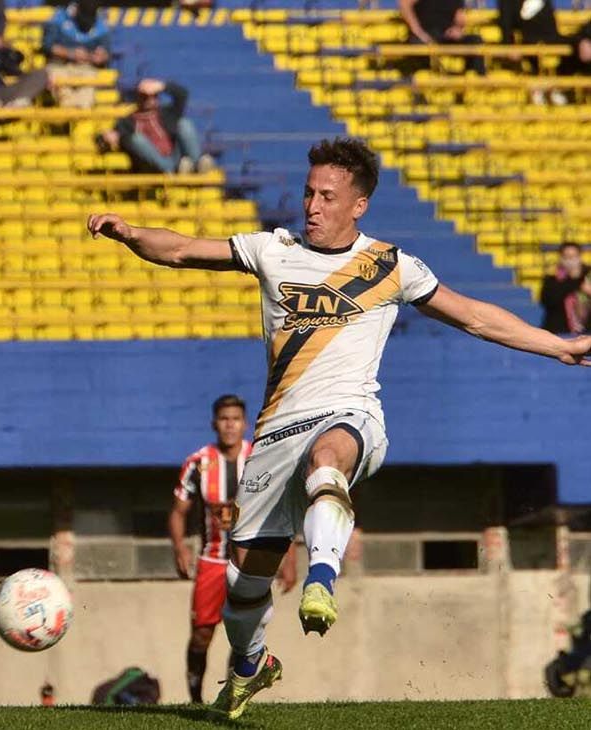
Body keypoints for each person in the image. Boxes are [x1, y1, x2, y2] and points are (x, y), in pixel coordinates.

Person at [87, 137, 591, 720]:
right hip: (275, 435)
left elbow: (474, 315)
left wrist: (559, 346)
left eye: (328, 196)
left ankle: (321, 579)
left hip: (350, 415)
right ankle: (252, 668)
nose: (312, 206)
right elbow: (180, 250)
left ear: (359, 205)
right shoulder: (273, 251)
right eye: (308, 193)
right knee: (243, 590)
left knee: (329, 461)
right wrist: (130, 234)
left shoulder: (390, 265)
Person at [169, 394, 296, 705]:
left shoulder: (261, 458)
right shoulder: (198, 463)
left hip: (249, 561)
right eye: (224, 419)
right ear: (215, 423)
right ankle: (195, 700)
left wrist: (289, 558)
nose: (229, 425)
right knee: (201, 634)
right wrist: (179, 548)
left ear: (245, 423)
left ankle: (230, 696)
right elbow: (178, 511)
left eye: (235, 419)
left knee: (243, 632)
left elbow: (281, 509)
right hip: (211, 560)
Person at [94, 79, 214, 175]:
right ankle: (173, 170)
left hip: (175, 157)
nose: (150, 99)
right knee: (136, 139)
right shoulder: (127, 120)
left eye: (154, 95)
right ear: (137, 98)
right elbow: (104, 139)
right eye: (145, 96)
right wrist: (107, 138)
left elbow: (182, 94)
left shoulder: (167, 113)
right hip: (150, 166)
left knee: (184, 123)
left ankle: (196, 164)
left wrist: (162, 86)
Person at [42, 0, 111, 109]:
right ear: (76, 10)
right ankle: (69, 113)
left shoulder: (101, 22)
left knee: (89, 79)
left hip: (86, 67)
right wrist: (70, 54)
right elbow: (47, 46)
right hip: (59, 65)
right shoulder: (59, 17)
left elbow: (106, 53)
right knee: (56, 77)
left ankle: (81, 114)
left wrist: (100, 56)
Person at [397, 0, 485, 76]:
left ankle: (475, 84)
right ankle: (420, 90)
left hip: (445, 36)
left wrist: (457, 30)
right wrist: (418, 32)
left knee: (475, 41)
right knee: (418, 46)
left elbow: (460, 17)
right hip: (424, 36)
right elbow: (405, 5)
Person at [539, 243, 590, 334]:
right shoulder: (552, 279)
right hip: (559, 332)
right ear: (561, 258)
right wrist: (575, 280)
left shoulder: (588, 275)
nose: (571, 260)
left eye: (574, 256)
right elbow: (548, 301)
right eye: (567, 256)